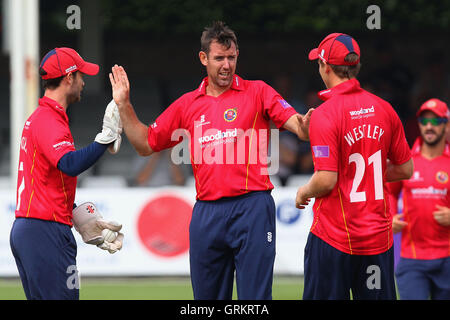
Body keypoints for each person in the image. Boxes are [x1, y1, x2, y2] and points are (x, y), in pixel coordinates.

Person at [109, 21, 313, 300]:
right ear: (204, 58)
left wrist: (306, 125)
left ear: (238, 55)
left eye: (231, 57)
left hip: (252, 208)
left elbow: (299, 127)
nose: (226, 65)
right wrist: (124, 105)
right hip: (207, 214)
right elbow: (146, 144)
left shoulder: (259, 91)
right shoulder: (187, 104)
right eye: (219, 58)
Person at [295, 33, 413, 300]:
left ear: (325, 66)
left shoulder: (325, 113)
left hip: (333, 238)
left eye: (318, 62)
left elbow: (325, 180)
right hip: (378, 242)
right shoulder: (384, 108)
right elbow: (405, 169)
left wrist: (303, 192)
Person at [9, 47, 124, 300]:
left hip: (35, 229)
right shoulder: (48, 119)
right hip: (43, 232)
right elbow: (69, 164)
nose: (84, 82)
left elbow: (48, 180)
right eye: (81, 75)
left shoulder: (43, 117)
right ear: (69, 78)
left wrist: (78, 219)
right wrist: (104, 139)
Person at [388, 98, 450, 300]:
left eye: (436, 121)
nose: (429, 126)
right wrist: (389, 217)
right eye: (424, 122)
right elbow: (388, 191)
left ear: (446, 125)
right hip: (412, 259)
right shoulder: (406, 161)